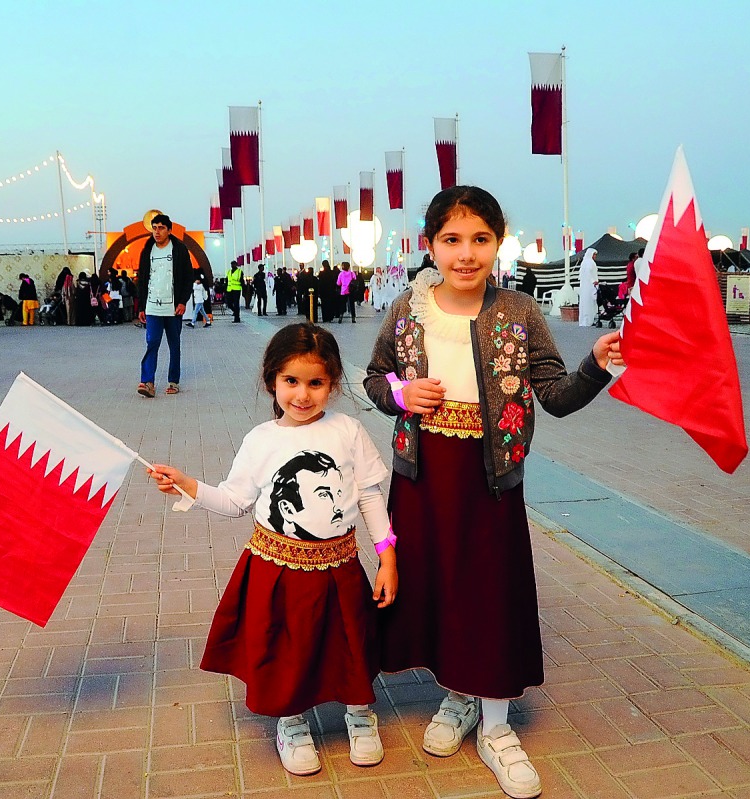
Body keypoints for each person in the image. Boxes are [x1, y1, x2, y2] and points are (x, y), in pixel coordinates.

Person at [364, 186, 624, 799]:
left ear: (498, 243)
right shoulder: (407, 309)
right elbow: (375, 379)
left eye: (480, 239)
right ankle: (459, 694)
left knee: (492, 594)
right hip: (423, 477)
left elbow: (555, 398)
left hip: (491, 479)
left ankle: (497, 725)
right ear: (430, 245)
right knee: (441, 588)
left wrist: (596, 364)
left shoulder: (518, 313)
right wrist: (400, 396)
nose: (466, 254)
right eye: (451, 240)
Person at [147, 323, 397, 777]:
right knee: (287, 647)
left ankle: (360, 714)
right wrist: (188, 485)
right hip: (276, 571)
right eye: (291, 382)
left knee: (350, 642)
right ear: (272, 381)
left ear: (333, 383)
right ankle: (292, 722)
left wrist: (388, 555)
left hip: (340, 568)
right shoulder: (261, 440)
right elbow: (234, 501)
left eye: (315, 383)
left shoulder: (349, 431)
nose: (302, 395)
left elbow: (369, 495)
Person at [136, 213, 193, 396]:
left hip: (173, 308)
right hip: (152, 306)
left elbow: (187, 277)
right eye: (154, 228)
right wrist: (141, 306)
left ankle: (174, 381)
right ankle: (147, 382)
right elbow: (143, 279)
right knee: (152, 342)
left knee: (174, 344)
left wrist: (183, 301)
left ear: (169, 230)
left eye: (161, 228)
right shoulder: (148, 250)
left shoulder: (179, 249)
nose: (157, 232)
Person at [577, 247, 598, 327]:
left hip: (585, 287)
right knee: (589, 303)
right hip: (590, 286)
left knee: (584, 303)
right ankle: (588, 320)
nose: (595, 256)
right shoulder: (590, 263)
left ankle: (585, 320)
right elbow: (589, 273)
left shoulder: (584, 262)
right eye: (594, 254)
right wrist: (593, 281)